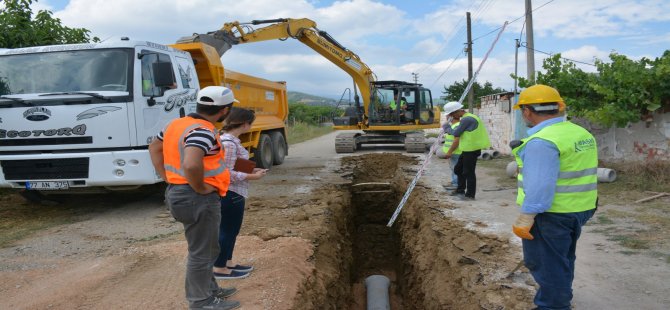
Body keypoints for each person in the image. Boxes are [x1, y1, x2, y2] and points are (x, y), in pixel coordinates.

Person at [149, 86, 241, 310]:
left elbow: (154, 147)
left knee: (205, 247)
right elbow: (191, 163)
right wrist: (199, 187)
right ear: (224, 111)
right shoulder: (202, 131)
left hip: (179, 193)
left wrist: (167, 177)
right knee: (202, 252)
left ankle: (209, 290)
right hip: (196, 198)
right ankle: (201, 301)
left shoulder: (175, 124)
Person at [510, 84, 598, 310]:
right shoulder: (580, 133)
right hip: (580, 208)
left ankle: (552, 305)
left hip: (551, 214)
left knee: (546, 264)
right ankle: (560, 296)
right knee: (562, 258)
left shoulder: (542, 142)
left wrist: (527, 217)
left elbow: (539, 187)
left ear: (527, 111)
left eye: (523, 111)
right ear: (559, 107)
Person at [213, 108, 268, 279]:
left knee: (232, 229)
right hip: (230, 193)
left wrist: (252, 168)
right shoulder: (228, 143)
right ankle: (220, 268)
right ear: (245, 124)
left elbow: (234, 165)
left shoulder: (230, 141)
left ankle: (227, 262)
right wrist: (253, 176)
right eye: (251, 123)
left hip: (234, 192)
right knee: (227, 230)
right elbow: (226, 173)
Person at [442, 101, 490, 200]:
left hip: (472, 149)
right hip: (467, 149)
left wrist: (447, 128)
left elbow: (456, 133)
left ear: (456, 112)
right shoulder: (468, 117)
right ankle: (460, 190)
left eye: (451, 114)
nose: (451, 117)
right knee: (458, 169)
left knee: (469, 172)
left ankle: (470, 195)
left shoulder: (467, 119)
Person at [442, 105, 461, 190]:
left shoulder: (457, 125)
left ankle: (456, 184)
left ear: (450, 116)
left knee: (456, 169)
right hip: (453, 152)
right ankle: (454, 182)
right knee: (453, 168)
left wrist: (449, 152)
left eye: (447, 115)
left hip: (456, 152)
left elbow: (456, 141)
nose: (446, 117)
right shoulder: (453, 126)